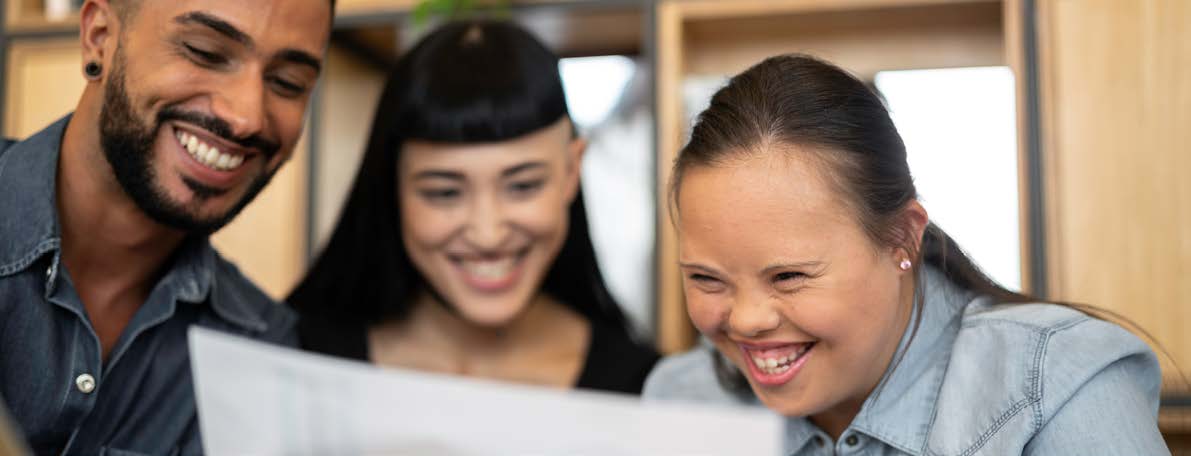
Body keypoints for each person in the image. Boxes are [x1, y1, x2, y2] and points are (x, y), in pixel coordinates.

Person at [643, 54, 1170, 455]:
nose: (747, 320)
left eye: (788, 276)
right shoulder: (681, 399)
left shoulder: (1054, 385)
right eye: (707, 279)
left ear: (901, 237)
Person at [0, 0, 332, 453]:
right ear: (99, 37)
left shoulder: (262, 355)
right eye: (204, 52)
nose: (247, 116)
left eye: (287, 83)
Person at [288, 20, 659, 394]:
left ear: (571, 171)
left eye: (523, 185)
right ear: (392, 185)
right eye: (444, 193)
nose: (488, 234)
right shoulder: (296, 360)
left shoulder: (645, 391)